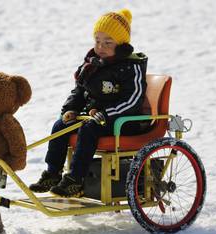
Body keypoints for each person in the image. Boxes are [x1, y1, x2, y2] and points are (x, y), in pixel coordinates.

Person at [29, 8, 147, 197]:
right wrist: (71, 109)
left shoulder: (131, 67)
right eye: (98, 41)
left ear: (121, 43)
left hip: (122, 121)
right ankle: (52, 172)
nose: (101, 46)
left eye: (108, 42)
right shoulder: (92, 64)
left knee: (89, 129)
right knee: (61, 125)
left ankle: (76, 179)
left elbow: (132, 99)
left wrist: (105, 114)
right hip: (96, 118)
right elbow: (80, 90)